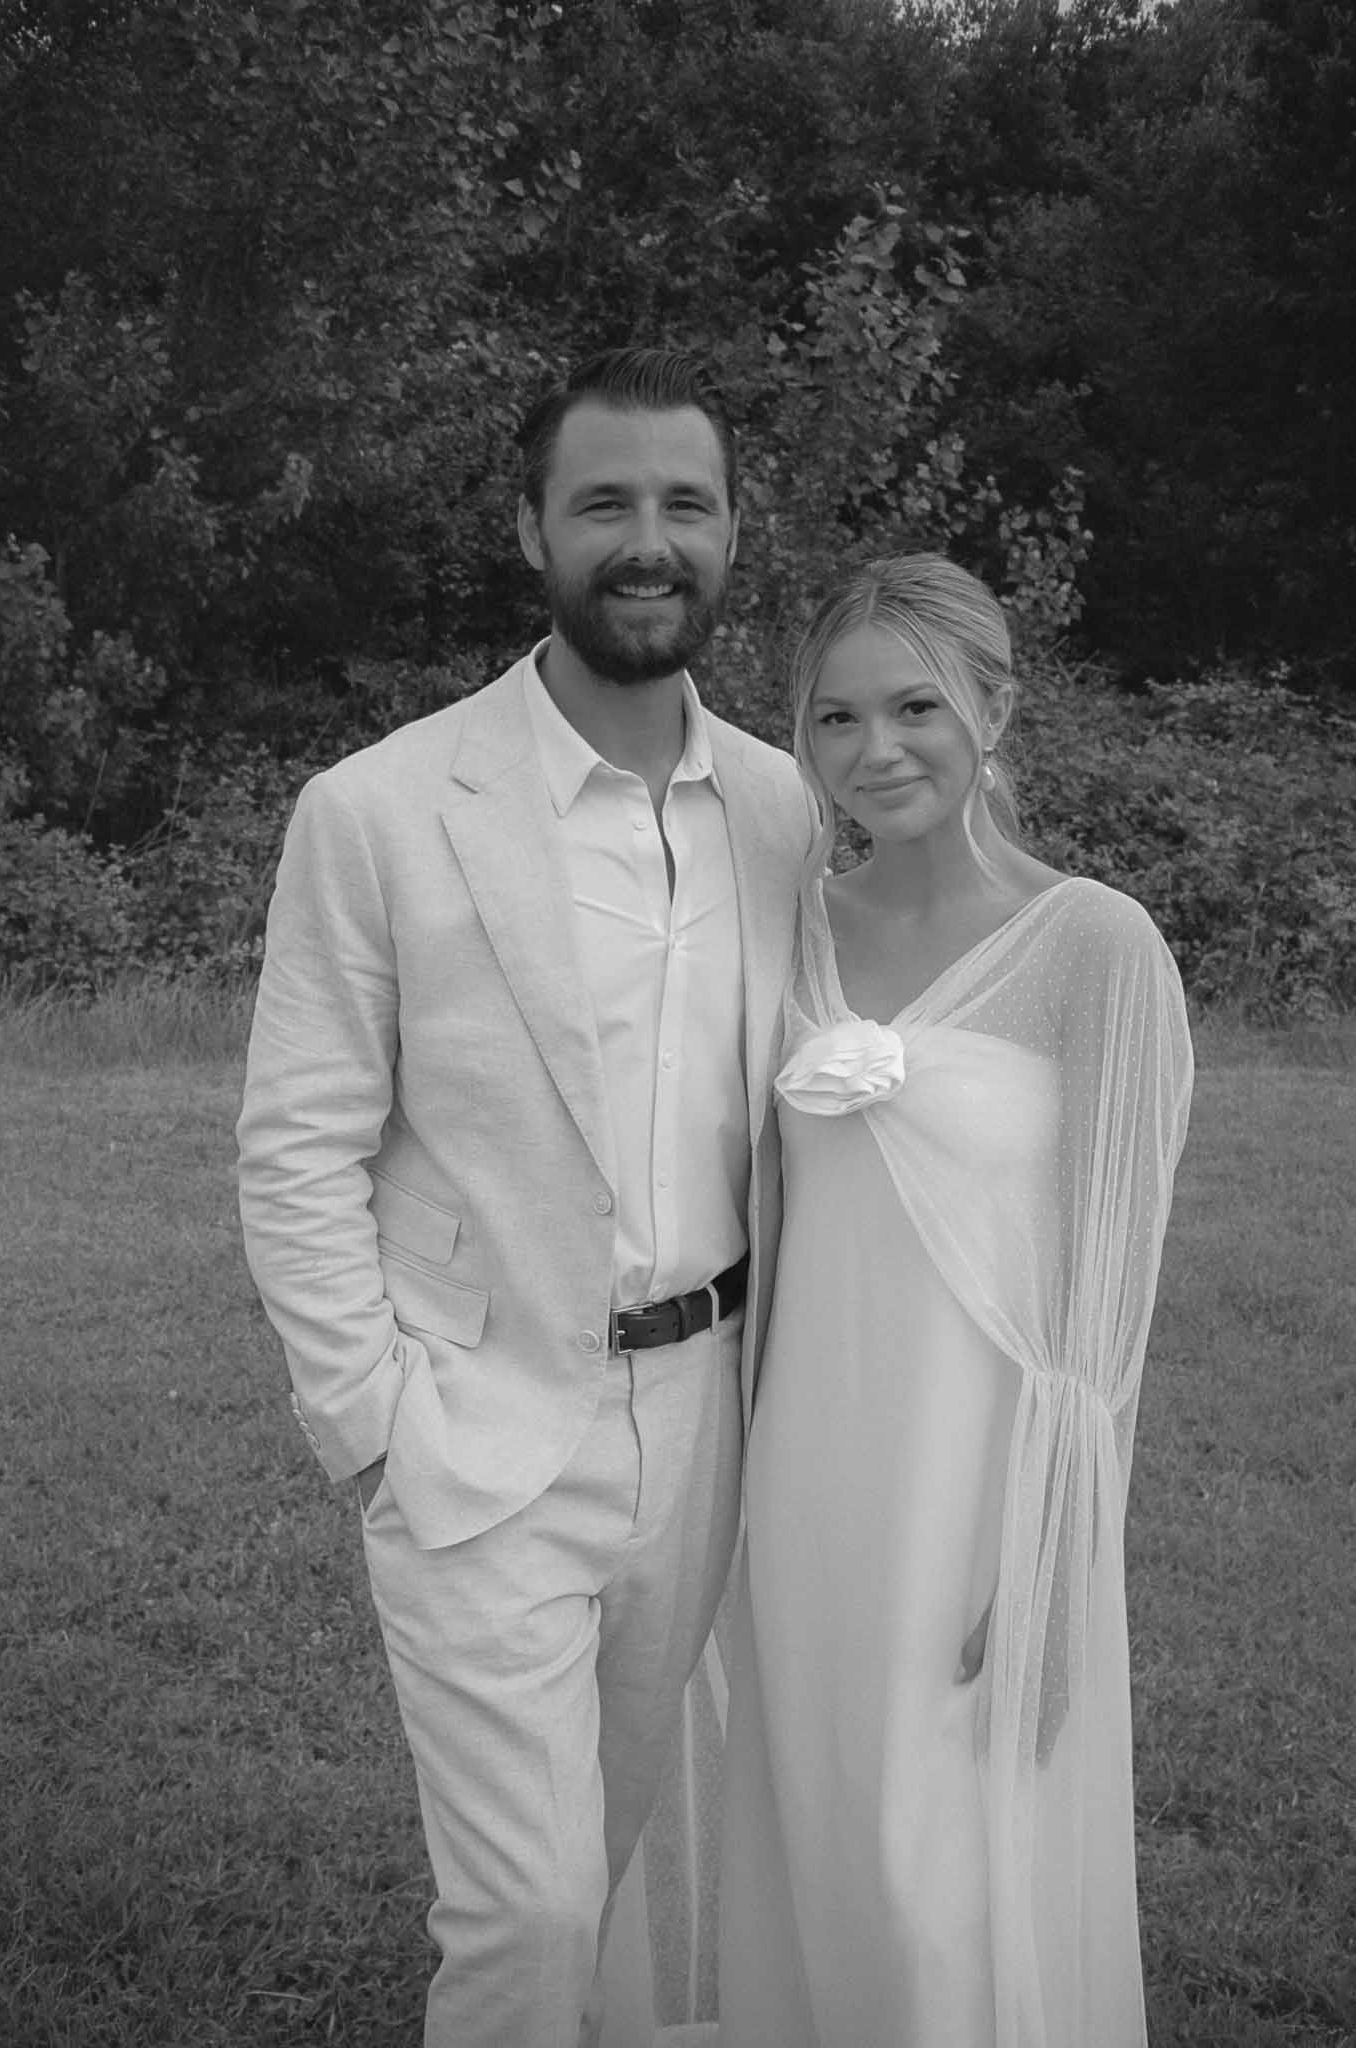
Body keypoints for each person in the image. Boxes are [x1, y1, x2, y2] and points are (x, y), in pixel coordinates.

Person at [235, 347, 814, 2048]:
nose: (650, 543)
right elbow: (296, 1144)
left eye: (685, 505)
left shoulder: (778, 805)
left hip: (706, 1412)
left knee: (615, 1857)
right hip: (477, 1425)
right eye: (606, 504)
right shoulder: (382, 809)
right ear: (530, 529)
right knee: (529, 1909)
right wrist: (370, 1423)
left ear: (729, 531)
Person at [715, 554, 1193, 2048]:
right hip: (803, 1475)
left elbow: (1105, 1313)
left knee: (944, 1886)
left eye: (915, 706)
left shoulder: (1092, 947)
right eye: (834, 720)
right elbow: (769, 1227)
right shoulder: (788, 930)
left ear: (995, 710)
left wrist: (1053, 1564)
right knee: (826, 1837)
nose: (875, 752)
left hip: (981, 1485)